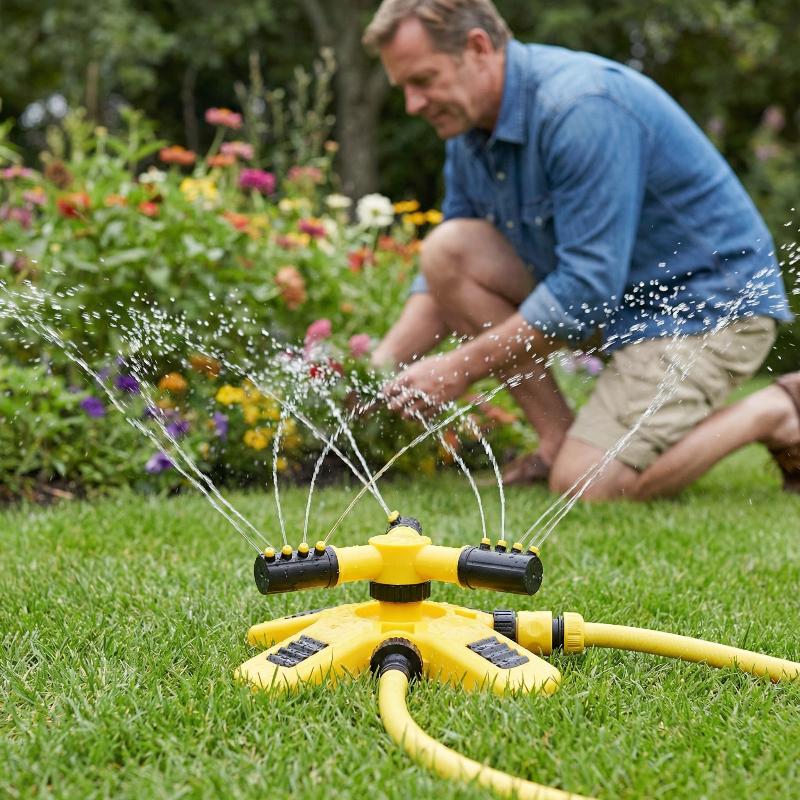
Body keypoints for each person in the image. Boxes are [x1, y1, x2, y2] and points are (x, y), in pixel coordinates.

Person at [361, 0, 800, 500]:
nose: (413, 104)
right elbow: (446, 273)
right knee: (449, 249)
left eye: (423, 80)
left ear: (477, 47)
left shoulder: (580, 109)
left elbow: (585, 291)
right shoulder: (469, 132)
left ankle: (778, 411)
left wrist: (458, 367)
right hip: (623, 304)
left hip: (706, 309)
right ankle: (556, 443)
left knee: (587, 485)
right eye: (404, 88)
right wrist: (376, 371)